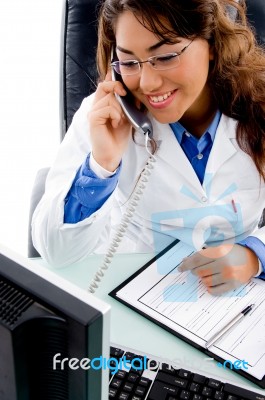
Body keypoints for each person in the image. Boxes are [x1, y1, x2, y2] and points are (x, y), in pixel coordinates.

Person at [32, 0, 265, 295]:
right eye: (129, 63)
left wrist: (255, 254)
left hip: (239, 298)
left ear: (212, 44)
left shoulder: (260, 102)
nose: (148, 82)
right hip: (134, 290)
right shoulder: (101, 116)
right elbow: (56, 251)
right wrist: (102, 164)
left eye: (165, 56)